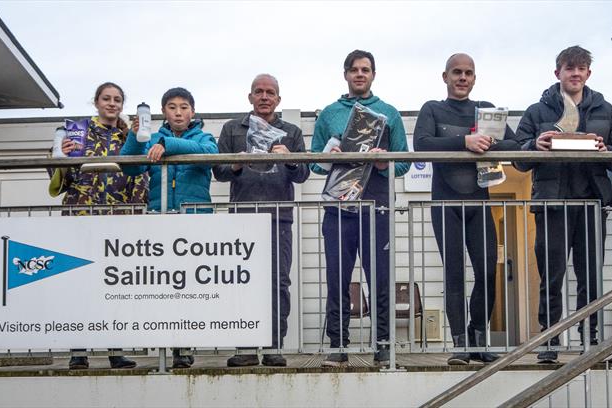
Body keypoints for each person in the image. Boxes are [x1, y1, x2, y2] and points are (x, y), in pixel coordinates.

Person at [508, 46, 612, 363]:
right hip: (550, 204)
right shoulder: (537, 111)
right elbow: (517, 159)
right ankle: (549, 341)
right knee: (552, 275)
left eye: (581, 68)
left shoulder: (605, 109)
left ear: (588, 73)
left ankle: (590, 340)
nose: (575, 73)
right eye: (568, 68)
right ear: (557, 73)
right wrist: (534, 145)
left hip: (591, 204)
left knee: (591, 277)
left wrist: (607, 151)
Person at [413, 53, 519, 365]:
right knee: (454, 273)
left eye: (468, 73)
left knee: (487, 270)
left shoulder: (485, 111)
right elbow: (422, 144)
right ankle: (460, 342)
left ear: (474, 78)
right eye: (456, 72)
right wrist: (465, 141)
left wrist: (486, 144)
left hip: (478, 203)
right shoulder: (432, 109)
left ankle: (477, 335)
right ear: (444, 77)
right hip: (445, 203)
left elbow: (515, 146)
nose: (462, 77)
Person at [309, 50, 409, 367]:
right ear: (346, 75)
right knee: (337, 279)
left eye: (365, 70)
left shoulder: (389, 113)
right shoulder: (329, 114)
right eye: (354, 70)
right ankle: (338, 346)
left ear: (373, 75)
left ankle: (383, 345)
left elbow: (404, 164)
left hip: (377, 206)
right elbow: (315, 163)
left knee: (379, 277)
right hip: (339, 208)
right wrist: (329, 154)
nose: (360, 74)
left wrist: (383, 161)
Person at [48, 82, 148, 370]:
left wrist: (135, 214)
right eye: (107, 98)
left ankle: (115, 350)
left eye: (117, 99)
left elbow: (139, 175)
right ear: (96, 102)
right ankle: (78, 351)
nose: (112, 104)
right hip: (81, 215)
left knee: (111, 286)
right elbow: (58, 174)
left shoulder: (129, 135)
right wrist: (62, 157)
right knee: (79, 284)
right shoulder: (75, 131)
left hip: (117, 220)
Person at [213, 74, 309, 367]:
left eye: (270, 93)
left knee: (278, 282)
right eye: (259, 92)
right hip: (241, 218)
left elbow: (303, 174)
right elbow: (218, 171)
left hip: (279, 218)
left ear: (279, 99)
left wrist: (290, 158)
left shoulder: (291, 132)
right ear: (250, 97)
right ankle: (244, 347)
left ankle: (272, 346)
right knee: (242, 282)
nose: (265, 97)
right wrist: (236, 163)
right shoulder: (232, 129)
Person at [121, 87, 218, 368]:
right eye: (172, 107)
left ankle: (184, 347)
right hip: (160, 221)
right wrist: (135, 137)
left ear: (193, 112)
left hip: (195, 222)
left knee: (191, 288)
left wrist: (167, 145)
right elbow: (130, 168)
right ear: (164, 111)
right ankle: (165, 346)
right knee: (163, 286)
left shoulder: (203, 136)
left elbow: (210, 153)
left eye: (184, 106)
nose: (178, 112)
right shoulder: (150, 138)